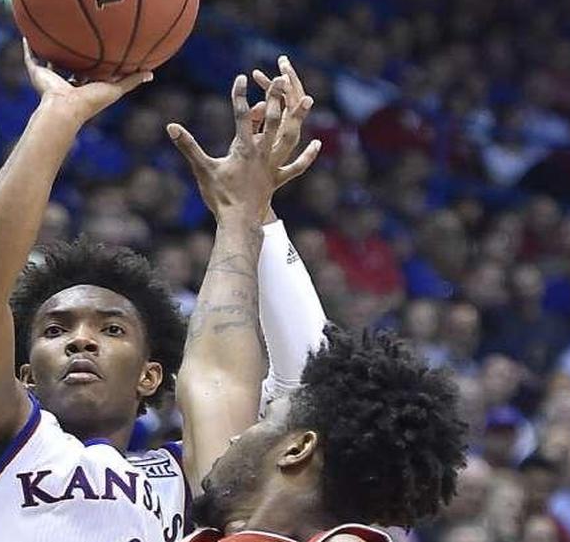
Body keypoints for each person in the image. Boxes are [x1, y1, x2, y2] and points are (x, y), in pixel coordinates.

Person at [0, 46, 319, 540]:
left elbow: (220, 379)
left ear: (150, 376)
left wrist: (242, 215)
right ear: (25, 376)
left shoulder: (192, 482)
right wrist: (60, 113)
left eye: (111, 328)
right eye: (56, 329)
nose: (81, 341)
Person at [167, 72, 465, 541]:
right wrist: (244, 213)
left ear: (297, 450)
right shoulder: (229, 525)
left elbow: (247, 379)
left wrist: (245, 213)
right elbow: (215, 378)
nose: (242, 429)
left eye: (264, 417)